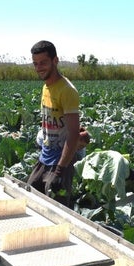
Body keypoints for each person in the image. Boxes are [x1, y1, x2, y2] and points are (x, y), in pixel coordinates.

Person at [28, 40, 81, 207]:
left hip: (60, 160)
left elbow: (74, 134)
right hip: (45, 155)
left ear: (55, 60)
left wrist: (60, 170)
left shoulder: (67, 90)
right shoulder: (46, 87)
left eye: (43, 62)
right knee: (31, 195)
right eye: (35, 64)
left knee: (56, 209)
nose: (39, 68)